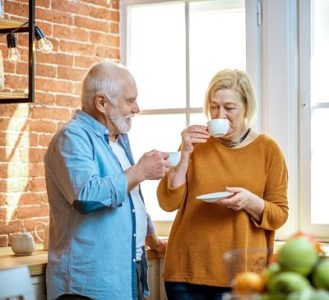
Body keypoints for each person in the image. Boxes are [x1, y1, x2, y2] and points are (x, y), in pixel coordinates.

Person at [157, 68, 289, 299]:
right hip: (185, 273)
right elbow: (168, 203)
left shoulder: (268, 149)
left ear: (247, 107)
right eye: (214, 106)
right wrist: (186, 152)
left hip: (240, 277)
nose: (219, 115)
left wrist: (251, 202)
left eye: (229, 107)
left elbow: (279, 214)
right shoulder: (196, 144)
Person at [44, 61, 169, 300]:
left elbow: (130, 194)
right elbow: (87, 196)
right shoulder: (72, 137)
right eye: (130, 101)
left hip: (128, 273)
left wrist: (150, 236)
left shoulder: (118, 139)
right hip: (87, 285)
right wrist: (140, 170)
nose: (137, 108)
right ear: (101, 102)